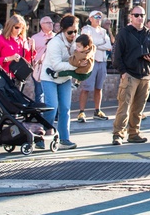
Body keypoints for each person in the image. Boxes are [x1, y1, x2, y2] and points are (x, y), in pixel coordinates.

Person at [111, 5, 150, 144]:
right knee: (124, 107)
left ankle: (134, 133)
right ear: (130, 17)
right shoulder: (124, 33)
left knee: (138, 108)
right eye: (136, 15)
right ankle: (118, 134)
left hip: (145, 74)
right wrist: (123, 72)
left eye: (142, 15)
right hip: (130, 73)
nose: (139, 18)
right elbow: (116, 55)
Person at [40, 14, 81, 149]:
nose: (73, 34)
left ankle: (64, 138)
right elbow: (57, 65)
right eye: (70, 32)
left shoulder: (76, 41)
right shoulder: (55, 42)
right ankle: (41, 134)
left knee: (65, 108)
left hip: (65, 78)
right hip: (50, 77)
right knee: (52, 107)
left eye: (76, 31)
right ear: (63, 30)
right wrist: (75, 66)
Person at [76, 11, 112, 122]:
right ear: (90, 18)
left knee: (99, 87)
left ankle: (97, 110)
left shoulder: (103, 31)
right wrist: (100, 44)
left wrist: (97, 44)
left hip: (102, 61)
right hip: (91, 61)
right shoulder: (86, 29)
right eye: (96, 17)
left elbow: (109, 45)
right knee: (86, 87)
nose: (98, 19)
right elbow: (89, 43)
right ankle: (81, 111)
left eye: (100, 17)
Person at [0, 14, 36, 97]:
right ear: (10, 26)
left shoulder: (22, 40)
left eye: (21, 28)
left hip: (18, 76)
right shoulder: (0, 39)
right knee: (5, 102)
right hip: (4, 75)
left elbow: (27, 59)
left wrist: (32, 48)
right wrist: (9, 58)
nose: (19, 30)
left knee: (16, 101)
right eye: (16, 27)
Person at [30, 15, 56, 104]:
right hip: (39, 68)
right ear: (42, 25)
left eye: (51, 22)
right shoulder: (35, 38)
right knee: (39, 92)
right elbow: (31, 53)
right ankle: (40, 114)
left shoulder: (57, 37)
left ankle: (54, 114)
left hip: (53, 67)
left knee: (53, 92)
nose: (51, 24)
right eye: (48, 23)